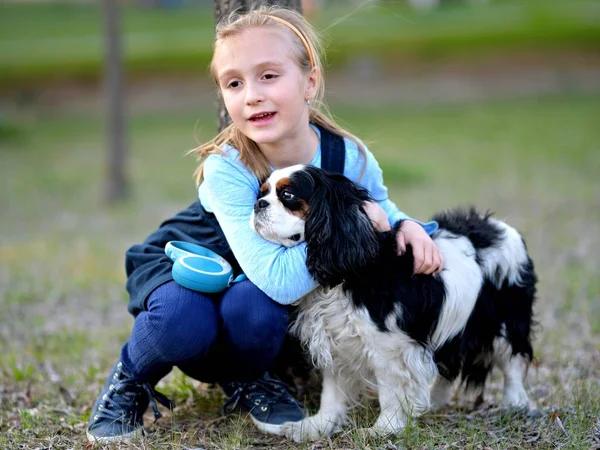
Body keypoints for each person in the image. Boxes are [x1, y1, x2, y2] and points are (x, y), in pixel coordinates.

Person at [86, 5, 444, 444]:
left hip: (251, 300)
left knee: (255, 307)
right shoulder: (228, 168)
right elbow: (280, 278)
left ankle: (248, 376)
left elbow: (379, 207)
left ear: (310, 81)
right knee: (182, 318)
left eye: (268, 76)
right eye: (234, 83)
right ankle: (131, 379)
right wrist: (355, 234)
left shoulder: (346, 157)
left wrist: (406, 225)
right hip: (193, 271)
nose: (251, 95)